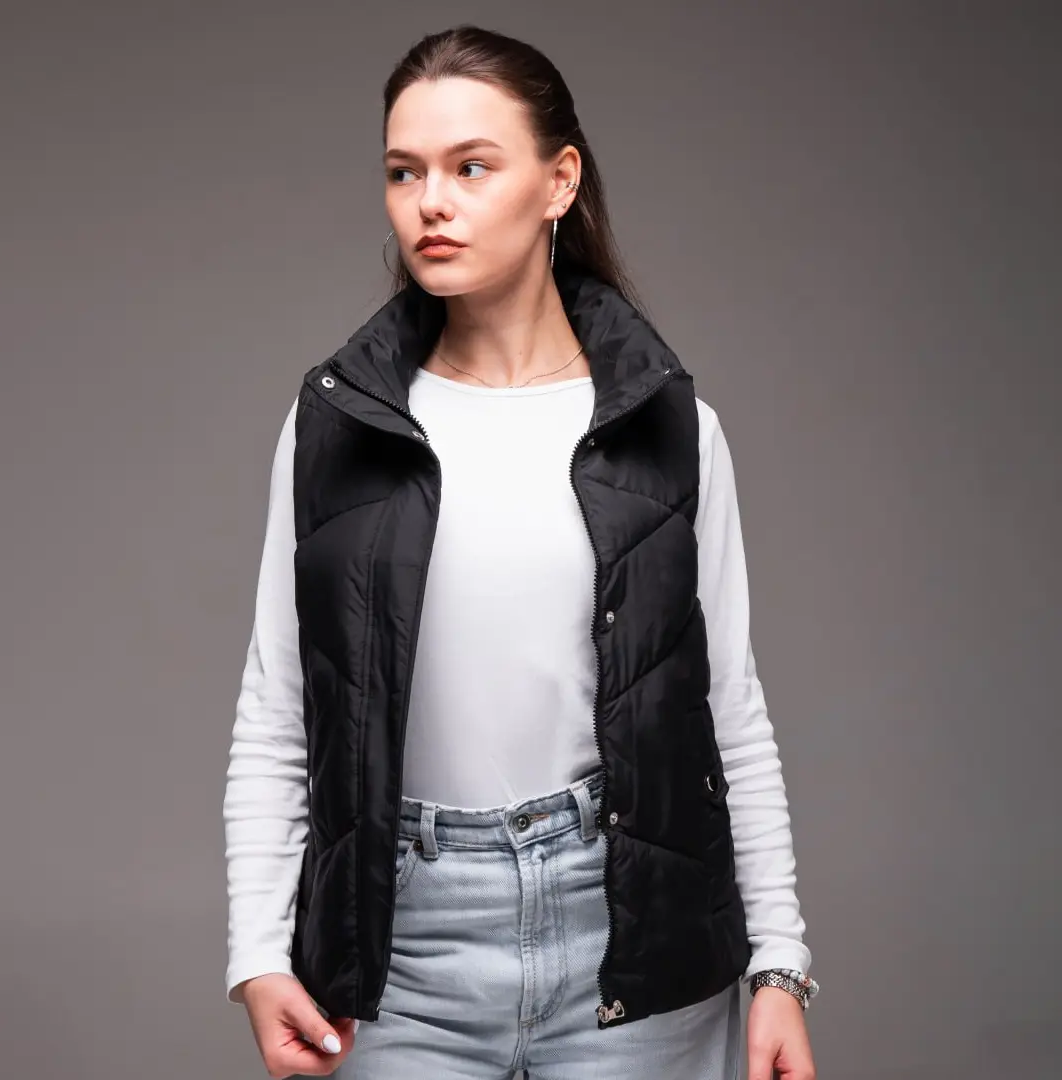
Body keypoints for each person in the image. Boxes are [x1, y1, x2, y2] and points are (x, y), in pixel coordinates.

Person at [224, 23, 819, 1080]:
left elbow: (728, 707)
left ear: (559, 182)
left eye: (471, 167)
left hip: (633, 943)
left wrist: (778, 961)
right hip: (399, 949)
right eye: (404, 171)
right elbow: (280, 707)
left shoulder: (672, 428)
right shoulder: (339, 426)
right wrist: (259, 954)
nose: (430, 203)